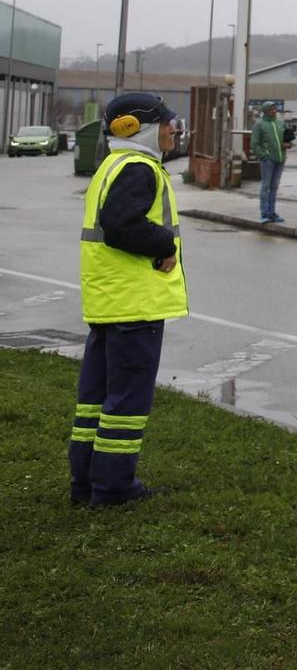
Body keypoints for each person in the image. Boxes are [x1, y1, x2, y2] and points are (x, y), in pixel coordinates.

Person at [71, 92, 187, 507]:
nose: (173, 130)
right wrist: (163, 244)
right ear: (135, 128)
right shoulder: (138, 168)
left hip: (110, 303)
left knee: (95, 403)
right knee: (126, 402)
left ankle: (85, 483)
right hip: (134, 306)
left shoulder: (112, 165)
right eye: (166, 122)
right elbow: (122, 225)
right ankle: (115, 488)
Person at [251, 103, 287, 224]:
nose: (273, 111)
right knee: (266, 186)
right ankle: (264, 213)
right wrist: (263, 156)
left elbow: (285, 139)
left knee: (274, 186)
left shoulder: (280, 123)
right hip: (268, 160)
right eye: (271, 109)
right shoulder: (259, 124)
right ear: (265, 111)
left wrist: (287, 144)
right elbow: (255, 144)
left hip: (280, 158)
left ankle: (272, 212)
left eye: (274, 108)